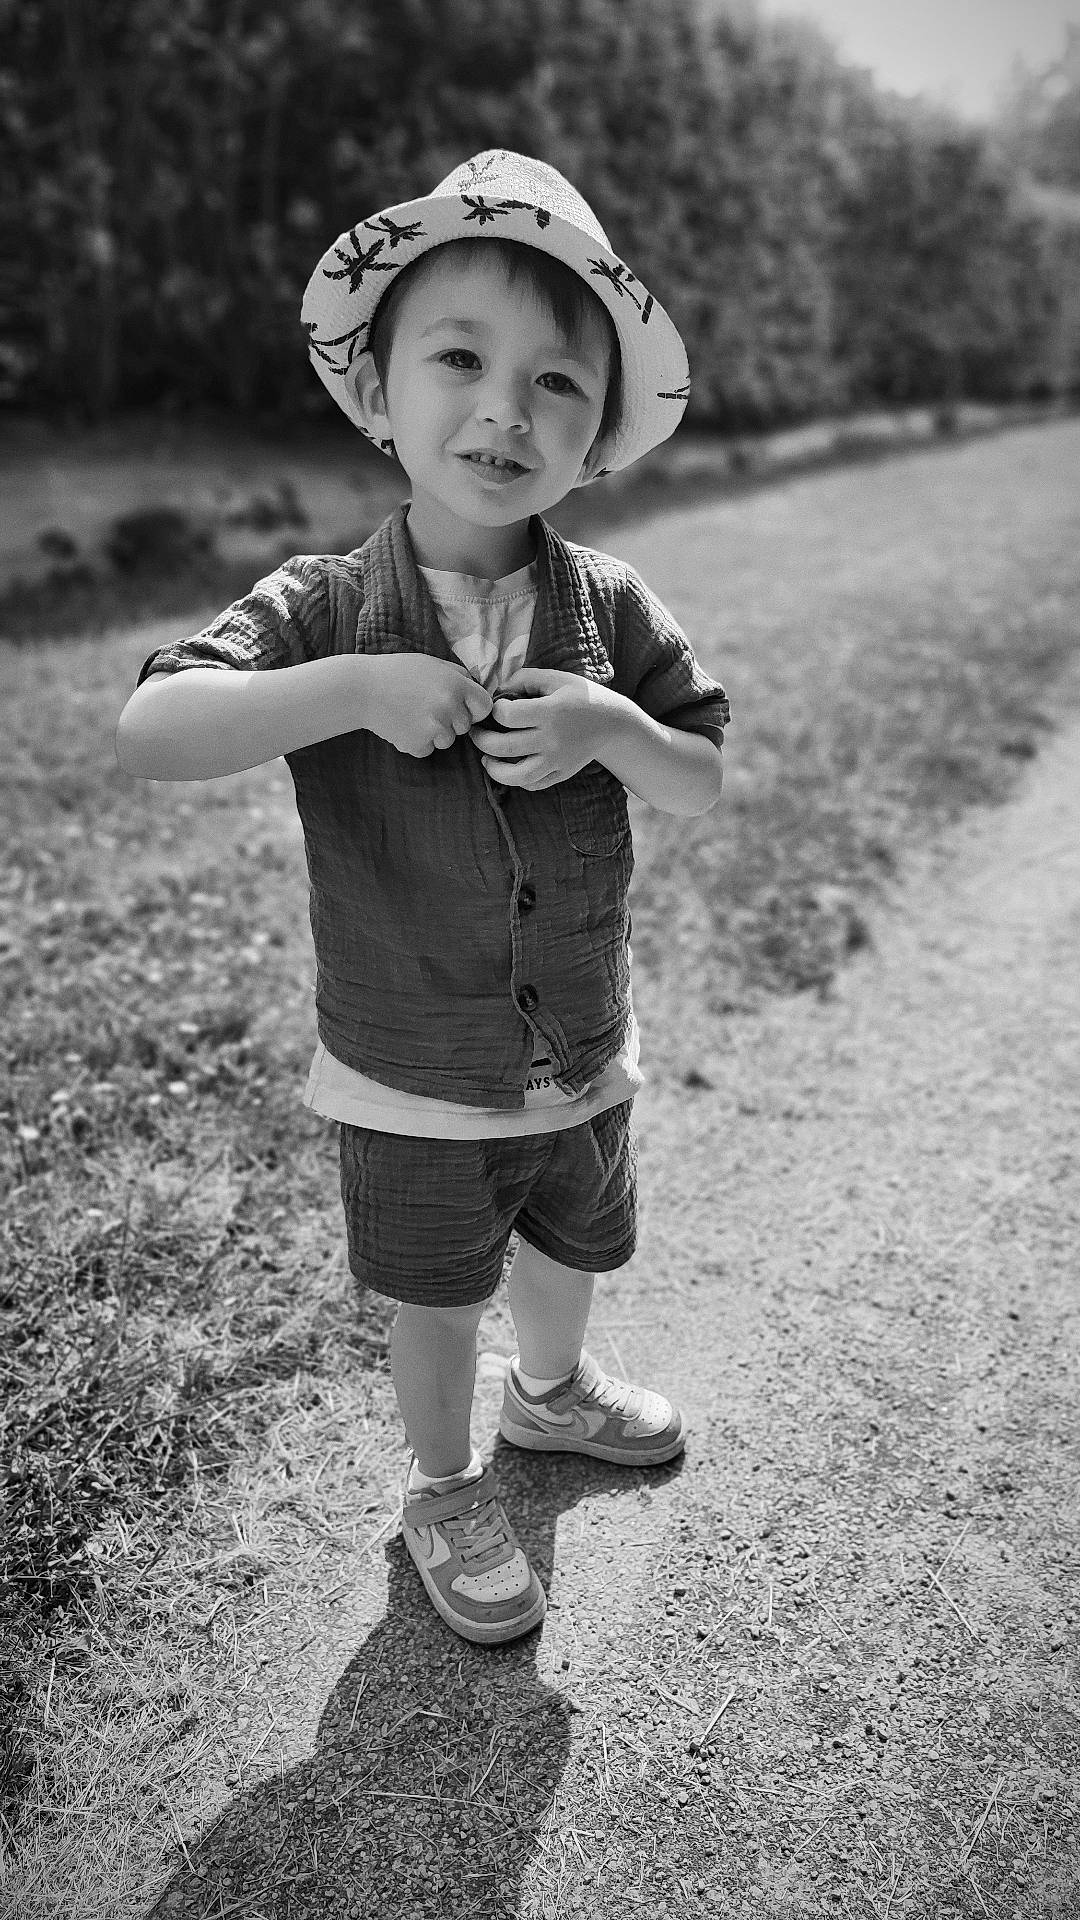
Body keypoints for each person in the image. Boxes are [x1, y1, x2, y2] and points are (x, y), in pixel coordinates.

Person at [115, 150, 730, 1647]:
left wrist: (610, 728)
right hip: (414, 1068)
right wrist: (348, 691)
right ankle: (445, 1483)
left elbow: (701, 772)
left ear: (595, 440)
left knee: (574, 1243)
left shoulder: (615, 609)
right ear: (381, 397)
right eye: (459, 359)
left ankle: (554, 1398)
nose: (505, 410)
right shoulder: (326, 606)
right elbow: (154, 730)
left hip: (580, 1039)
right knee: (436, 1293)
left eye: (556, 384)